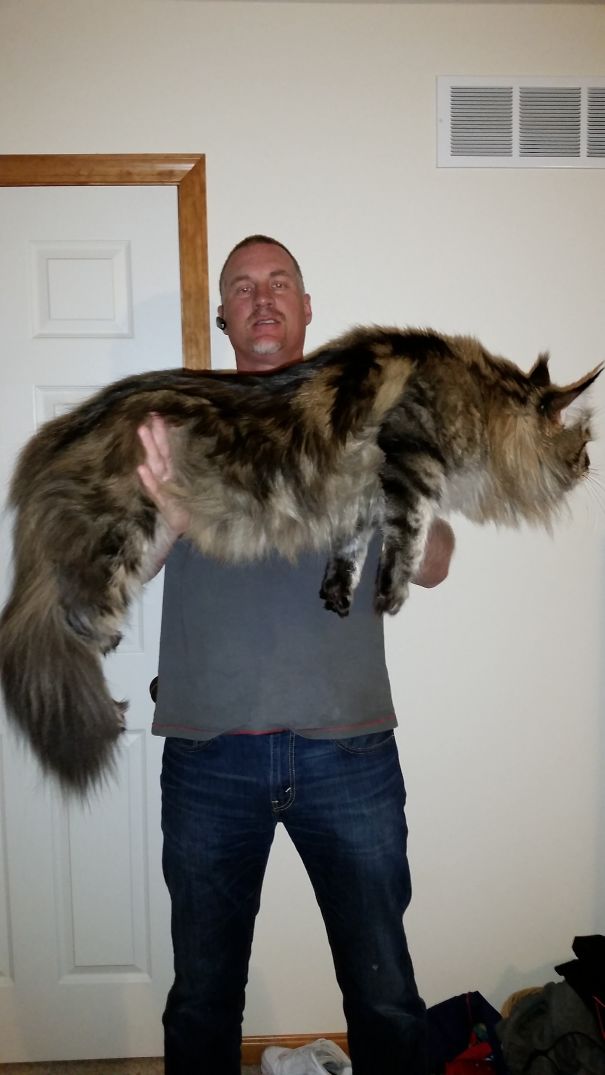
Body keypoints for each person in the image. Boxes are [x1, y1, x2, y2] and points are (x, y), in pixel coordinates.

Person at [137, 235, 455, 1075]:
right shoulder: (176, 421)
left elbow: (436, 563)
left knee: (384, 992)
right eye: (242, 286)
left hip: (347, 751)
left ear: (307, 306)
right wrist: (168, 514)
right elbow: (115, 570)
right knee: (202, 996)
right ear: (223, 314)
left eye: (279, 281)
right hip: (209, 756)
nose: (262, 296)